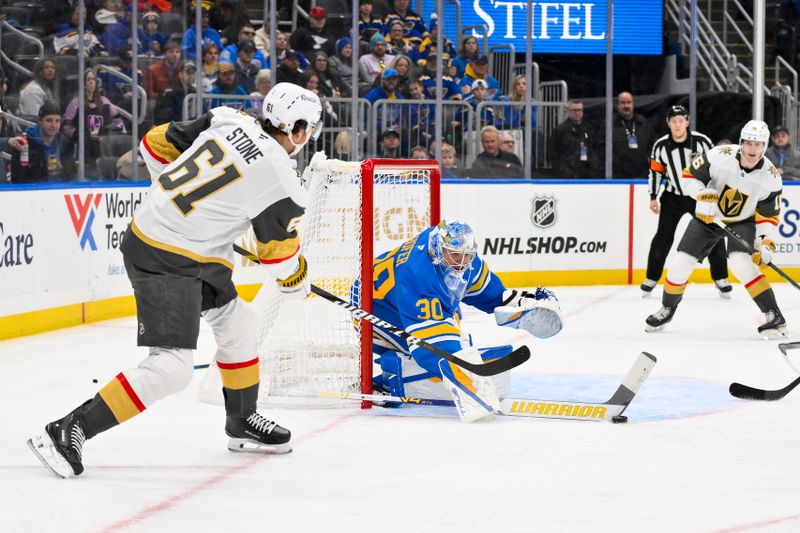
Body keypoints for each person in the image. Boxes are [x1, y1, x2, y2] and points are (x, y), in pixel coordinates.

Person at [27, 83, 324, 478]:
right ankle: (70, 428)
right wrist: (297, 281)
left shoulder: (226, 118)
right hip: (164, 256)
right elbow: (280, 258)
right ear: (300, 130)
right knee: (171, 368)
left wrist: (179, 207)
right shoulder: (283, 179)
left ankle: (241, 421)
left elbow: (153, 144)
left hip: (186, 245)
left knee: (239, 323)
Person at [367, 219, 562, 422]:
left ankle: (420, 368)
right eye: (455, 255)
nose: (461, 262)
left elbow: (490, 294)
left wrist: (519, 301)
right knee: (436, 351)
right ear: (439, 250)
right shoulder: (418, 275)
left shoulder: (454, 254)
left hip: (401, 300)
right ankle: (393, 378)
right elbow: (429, 347)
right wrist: (463, 372)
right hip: (374, 311)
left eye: (467, 256)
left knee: (456, 337)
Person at [645, 120, 787, 337]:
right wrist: (700, 195)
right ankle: (667, 309)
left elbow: (768, 216)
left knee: (741, 263)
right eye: (748, 143)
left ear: (765, 146)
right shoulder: (719, 155)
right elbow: (688, 177)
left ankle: (773, 314)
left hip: (743, 221)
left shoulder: (771, 178)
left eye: (758, 145)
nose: (753, 149)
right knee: (680, 264)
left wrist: (766, 242)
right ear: (741, 143)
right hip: (707, 217)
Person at [641, 105, 731, 297]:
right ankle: (651, 278)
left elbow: (716, 167)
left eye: (681, 120)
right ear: (668, 123)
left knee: (713, 235)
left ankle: (721, 278)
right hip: (673, 197)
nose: (678, 125)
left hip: (699, 196)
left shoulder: (702, 142)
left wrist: (714, 194)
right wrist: (653, 197)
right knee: (663, 237)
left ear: (687, 122)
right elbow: (656, 172)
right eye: (674, 121)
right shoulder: (661, 146)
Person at [63, 68, 126, 166]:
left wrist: (121, 132)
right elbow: (67, 127)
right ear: (83, 83)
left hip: (104, 140)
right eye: (88, 80)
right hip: (85, 142)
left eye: (93, 79)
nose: (91, 82)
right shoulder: (76, 103)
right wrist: (82, 135)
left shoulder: (105, 101)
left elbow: (118, 121)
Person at [7, 101, 76, 183]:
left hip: (60, 192)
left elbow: (72, 175)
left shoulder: (66, 144)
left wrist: (63, 169)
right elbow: (17, 179)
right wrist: (42, 169)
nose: (54, 125)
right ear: (39, 121)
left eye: (57, 121)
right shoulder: (24, 144)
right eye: (49, 120)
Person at [547, 99, 599, 178]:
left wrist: (593, 166)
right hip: (566, 175)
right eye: (574, 110)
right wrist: (561, 170)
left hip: (586, 173)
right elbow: (553, 153)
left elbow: (593, 149)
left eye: (579, 110)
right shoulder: (560, 130)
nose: (577, 113)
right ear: (568, 111)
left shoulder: (588, 129)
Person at [609, 91, 656, 178]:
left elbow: (653, 145)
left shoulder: (643, 123)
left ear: (633, 104)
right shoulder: (609, 124)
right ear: (617, 105)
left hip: (642, 175)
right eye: (623, 103)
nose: (626, 106)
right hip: (617, 177)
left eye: (629, 102)